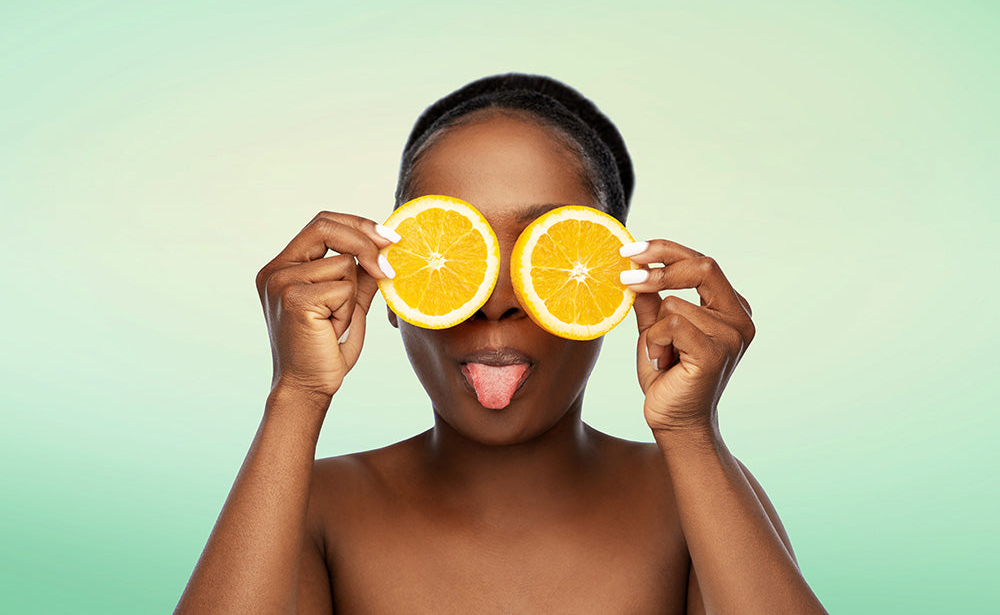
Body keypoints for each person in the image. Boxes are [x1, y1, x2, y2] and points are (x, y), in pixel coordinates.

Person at [175, 73, 827, 614]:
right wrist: (296, 394)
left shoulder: (697, 493)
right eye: (453, 256)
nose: (496, 300)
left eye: (546, 254)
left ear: (609, 289)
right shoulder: (314, 503)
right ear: (392, 284)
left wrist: (692, 431)